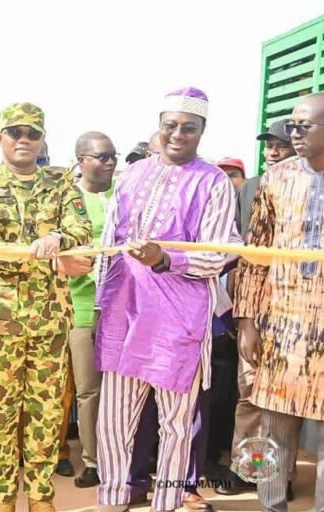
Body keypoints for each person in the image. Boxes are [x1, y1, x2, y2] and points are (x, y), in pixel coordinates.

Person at [94, 87, 236, 512]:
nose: (177, 134)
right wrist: (104, 300)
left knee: (177, 425)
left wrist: (165, 259)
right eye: (170, 126)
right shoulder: (132, 175)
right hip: (125, 311)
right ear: (158, 127)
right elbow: (109, 241)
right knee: (115, 419)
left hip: (179, 319)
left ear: (201, 132)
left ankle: (168, 500)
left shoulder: (214, 182)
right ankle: (114, 496)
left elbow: (218, 253)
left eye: (187, 128)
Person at [0, 102, 92, 512]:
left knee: (48, 411)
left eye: (32, 133)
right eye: (15, 132)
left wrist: (58, 237)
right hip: (2, 321)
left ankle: (40, 497)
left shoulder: (61, 184)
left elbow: (82, 230)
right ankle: (2, 499)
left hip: (51, 317)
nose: (23, 139)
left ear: (42, 140)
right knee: (0, 412)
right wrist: (46, 253)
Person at [234, 92, 324, 512]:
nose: (294, 134)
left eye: (305, 126)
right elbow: (255, 255)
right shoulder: (275, 179)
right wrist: (248, 320)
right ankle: (271, 506)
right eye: (292, 126)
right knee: (272, 430)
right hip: (280, 327)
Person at [217, 118, 298, 499]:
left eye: (282, 144)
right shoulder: (251, 187)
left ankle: (280, 476)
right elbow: (239, 256)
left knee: (287, 401)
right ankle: (245, 469)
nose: (274, 151)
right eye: (269, 145)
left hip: (300, 317)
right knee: (249, 394)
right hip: (256, 309)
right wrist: (243, 313)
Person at [54, 131, 116, 488]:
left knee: (122, 391)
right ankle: (92, 462)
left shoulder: (125, 198)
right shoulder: (68, 202)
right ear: (81, 160)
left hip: (122, 310)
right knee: (89, 392)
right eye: (101, 156)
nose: (109, 163)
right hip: (81, 309)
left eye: (112, 156)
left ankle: (122, 458)